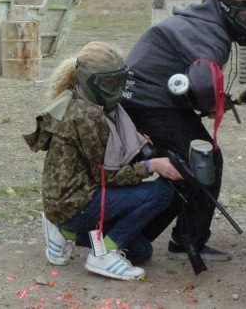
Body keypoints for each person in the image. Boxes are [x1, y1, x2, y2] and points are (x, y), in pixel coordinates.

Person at [119, 0, 246, 266]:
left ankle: (169, 235)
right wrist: (212, 104)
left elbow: (196, 78)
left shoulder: (204, 22)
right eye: (245, 16)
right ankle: (184, 240)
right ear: (226, 10)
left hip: (146, 98)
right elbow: (201, 82)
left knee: (187, 167)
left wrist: (211, 101)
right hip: (149, 103)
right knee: (204, 163)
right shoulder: (210, 33)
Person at [23, 41, 183, 281]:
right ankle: (102, 253)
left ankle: (65, 232)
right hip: (76, 203)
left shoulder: (81, 100)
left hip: (69, 199)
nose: (116, 90)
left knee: (140, 252)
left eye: (119, 81)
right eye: (109, 84)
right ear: (90, 80)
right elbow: (106, 177)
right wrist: (150, 166)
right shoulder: (87, 115)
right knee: (162, 192)